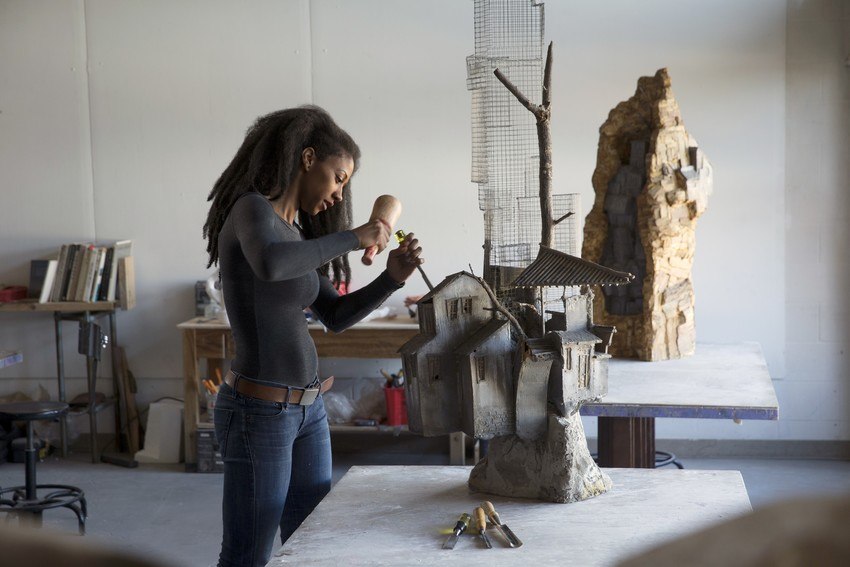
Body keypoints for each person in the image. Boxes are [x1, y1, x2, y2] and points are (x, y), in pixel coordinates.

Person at [202, 106, 423, 567]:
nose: (339, 194)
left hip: (309, 411)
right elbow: (271, 264)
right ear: (307, 159)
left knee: (311, 547)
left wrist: (391, 279)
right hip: (259, 412)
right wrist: (354, 236)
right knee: (246, 555)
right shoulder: (250, 210)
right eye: (338, 178)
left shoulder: (295, 234)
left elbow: (335, 315)